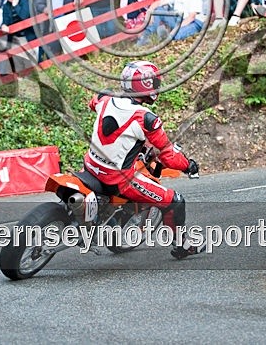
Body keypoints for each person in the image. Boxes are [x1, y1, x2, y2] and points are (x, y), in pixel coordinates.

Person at [83, 60, 203, 259]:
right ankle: (182, 245)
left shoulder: (104, 97)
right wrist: (188, 166)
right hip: (117, 179)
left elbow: (93, 104)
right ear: (145, 85)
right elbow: (167, 154)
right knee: (175, 201)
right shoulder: (146, 118)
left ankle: (102, 219)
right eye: (154, 83)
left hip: (90, 165)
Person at [1, 0, 38, 71]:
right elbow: (6, 21)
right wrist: (4, 25)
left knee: (31, 61)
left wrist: (15, 5)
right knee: (18, 61)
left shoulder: (25, 1)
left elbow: (24, 16)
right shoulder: (6, 6)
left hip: (28, 35)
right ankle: (22, 76)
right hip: (15, 37)